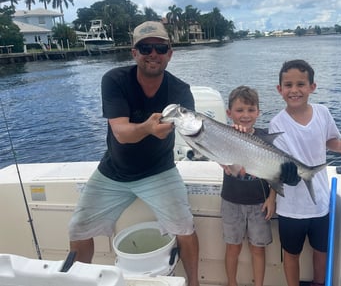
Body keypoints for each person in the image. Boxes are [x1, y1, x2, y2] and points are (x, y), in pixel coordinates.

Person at [68, 21, 200, 286]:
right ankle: (77, 282)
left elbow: (196, 135)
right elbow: (121, 133)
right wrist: (149, 128)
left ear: (170, 53)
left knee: (185, 227)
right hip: (113, 172)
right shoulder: (115, 80)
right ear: (134, 52)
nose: (153, 53)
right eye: (145, 47)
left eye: (160, 47)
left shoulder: (180, 91)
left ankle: (194, 283)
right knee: (78, 228)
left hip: (159, 171)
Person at [269, 59, 341, 286]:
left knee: (321, 251)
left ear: (312, 87)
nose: (294, 90)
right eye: (288, 85)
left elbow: (330, 141)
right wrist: (282, 178)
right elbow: (274, 166)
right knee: (291, 254)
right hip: (290, 207)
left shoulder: (323, 113)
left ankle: (320, 283)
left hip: (320, 204)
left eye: (300, 84)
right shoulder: (275, 123)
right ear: (280, 90)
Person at [220, 86, 276, 286]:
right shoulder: (224, 135)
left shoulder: (265, 137)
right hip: (231, 201)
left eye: (251, 110)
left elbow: (275, 171)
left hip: (259, 203)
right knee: (232, 247)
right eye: (240, 110)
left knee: (257, 249)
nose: (245, 115)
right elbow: (205, 144)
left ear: (258, 112)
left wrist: (272, 198)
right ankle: (231, 283)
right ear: (229, 113)